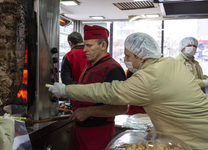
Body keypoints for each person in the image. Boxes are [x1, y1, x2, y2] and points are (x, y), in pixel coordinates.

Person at [49, 32, 208, 150]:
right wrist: (160, 128)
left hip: (194, 142)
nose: (125, 60)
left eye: (127, 56)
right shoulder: (171, 63)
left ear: (142, 57)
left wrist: (66, 89)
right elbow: (173, 102)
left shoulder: (148, 78)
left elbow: (109, 91)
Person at [67, 25, 127, 150]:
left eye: (89, 46)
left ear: (103, 46)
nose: (84, 49)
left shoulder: (113, 69)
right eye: (85, 45)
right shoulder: (89, 65)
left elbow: (121, 107)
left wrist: (89, 112)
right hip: (80, 129)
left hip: (97, 132)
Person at [61, 31, 87, 104]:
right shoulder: (91, 53)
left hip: (76, 96)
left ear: (70, 43)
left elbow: (66, 81)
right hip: (93, 94)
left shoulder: (69, 56)